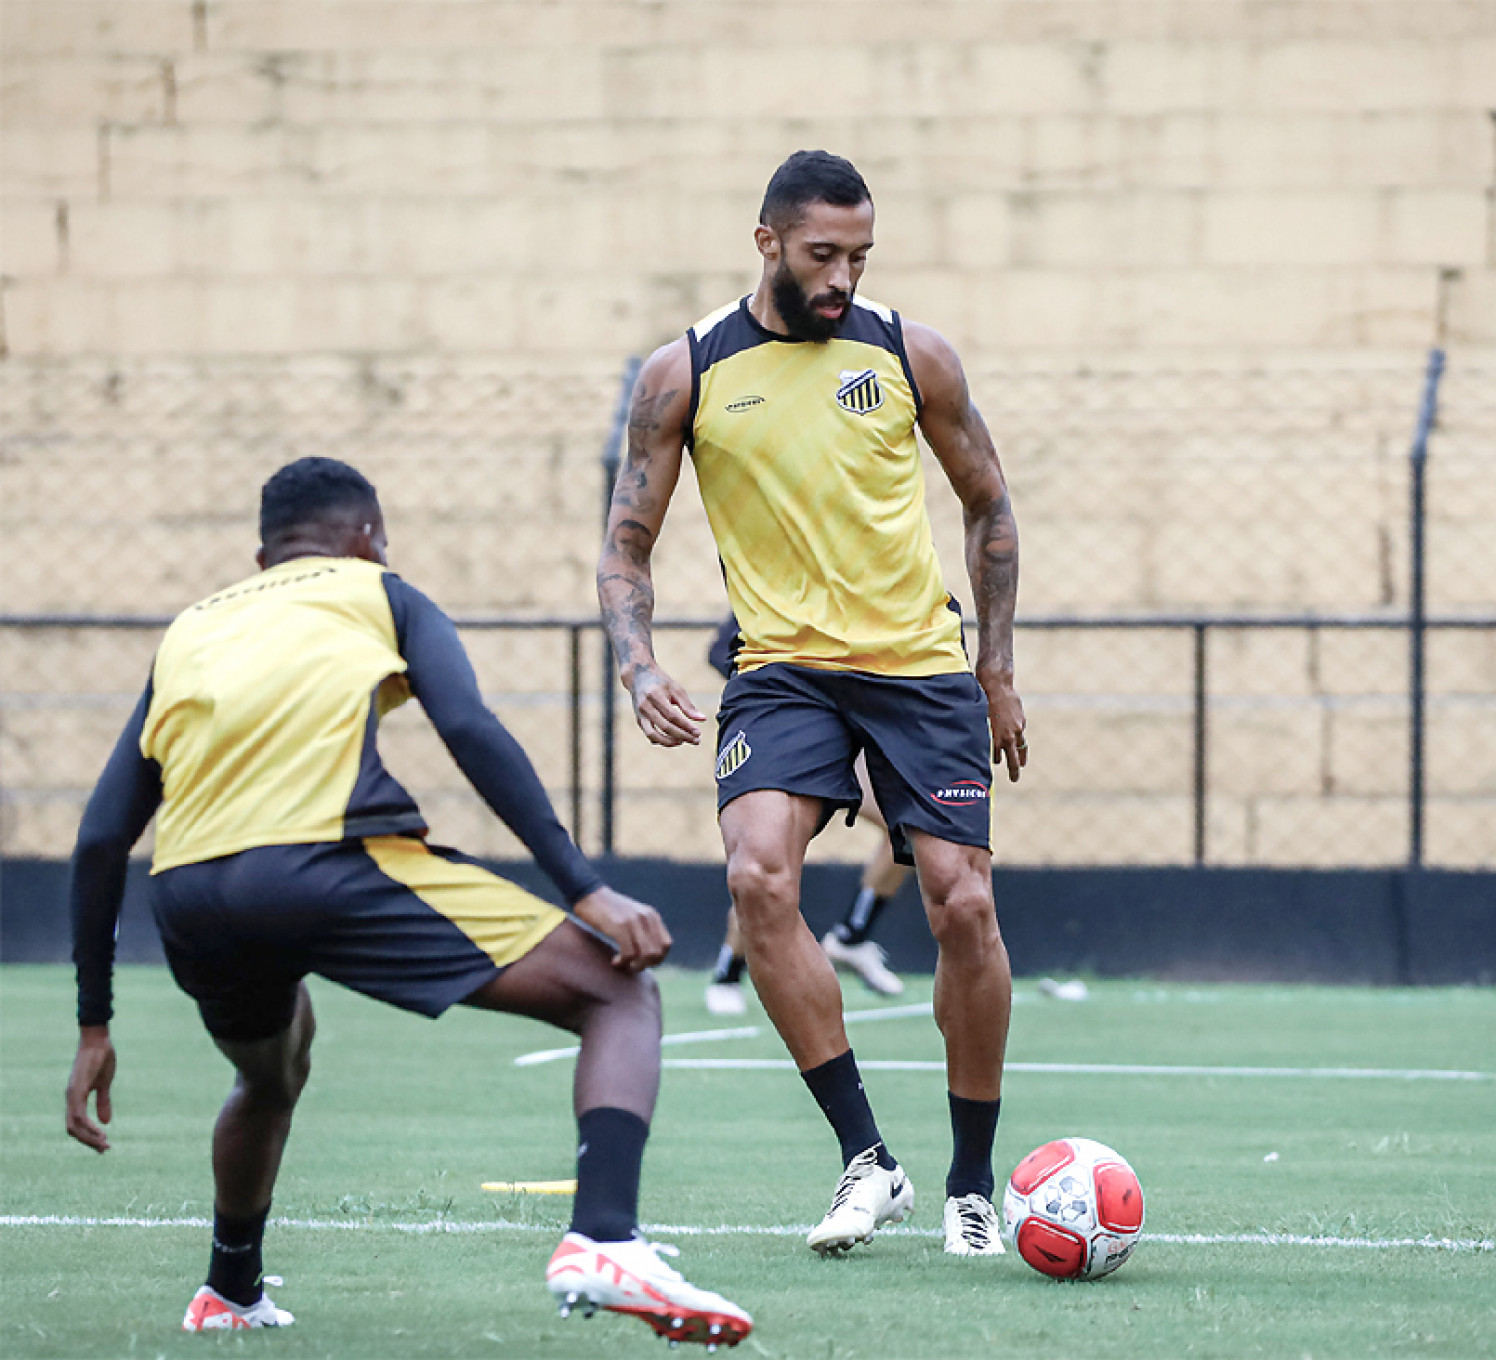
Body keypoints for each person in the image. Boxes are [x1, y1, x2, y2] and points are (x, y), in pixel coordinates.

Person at [62, 458, 750, 1346]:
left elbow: (98, 836)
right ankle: (606, 1240)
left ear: (262, 552)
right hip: (326, 863)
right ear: (367, 536)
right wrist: (586, 889)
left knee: (270, 1070)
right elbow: (468, 726)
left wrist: (93, 1026)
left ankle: (228, 1289)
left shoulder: (192, 626)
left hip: (190, 894)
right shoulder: (381, 591)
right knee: (617, 992)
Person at [597, 150, 1026, 1259]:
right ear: (767, 243)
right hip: (780, 667)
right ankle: (865, 1158)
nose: (841, 276)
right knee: (755, 876)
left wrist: (998, 667)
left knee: (961, 904)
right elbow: (626, 543)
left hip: (918, 665)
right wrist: (639, 662)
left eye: (859, 256)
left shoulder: (906, 352)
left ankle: (971, 1182)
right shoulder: (684, 372)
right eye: (822, 255)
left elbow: (987, 504)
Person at [703, 615, 909, 1016]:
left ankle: (852, 936)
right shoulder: (780, 585)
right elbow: (720, 651)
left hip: (858, 732)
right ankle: (729, 971)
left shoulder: (872, 584)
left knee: (908, 824)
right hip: (793, 735)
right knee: (770, 854)